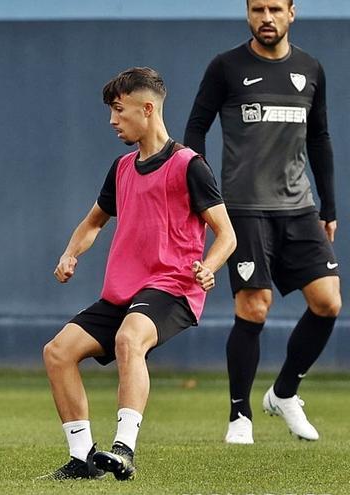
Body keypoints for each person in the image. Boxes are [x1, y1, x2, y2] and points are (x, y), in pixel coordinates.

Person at [41, 67, 236, 481]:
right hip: (123, 293)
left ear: (146, 109)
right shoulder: (122, 167)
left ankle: (123, 448)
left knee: (130, 338)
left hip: (173, 287)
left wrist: (209, 266)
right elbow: (94, 222)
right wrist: (70, 253)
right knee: (57, 353)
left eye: (118, 110)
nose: (113, 121)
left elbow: (226, 234)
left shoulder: (189, 165)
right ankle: (82, 460)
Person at [184, 0, 341, 445]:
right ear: (248, 14)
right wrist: (205, 193)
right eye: (257, 9)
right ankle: (240, 416)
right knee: (254, 306)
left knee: (328, 303)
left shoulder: (311, 68)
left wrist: (329, 207)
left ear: (293, 13)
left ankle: (285, 392)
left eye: (275, 8)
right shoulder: (226, 67)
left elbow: (320, 137)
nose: (266, 17)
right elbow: (196, 128)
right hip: (245, 208)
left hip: (299, 207)